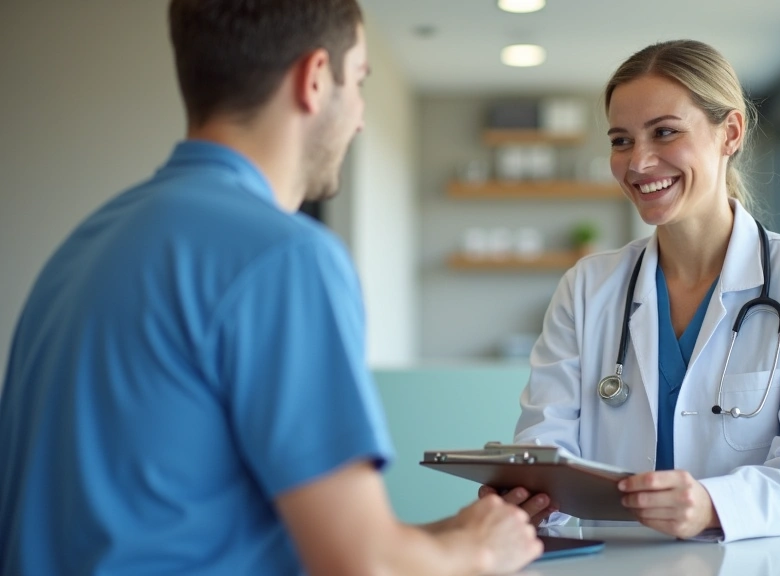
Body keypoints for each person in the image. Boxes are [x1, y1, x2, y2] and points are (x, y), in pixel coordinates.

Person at [0, 1, 542, 574]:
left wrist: (447, 536)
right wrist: (480, 550)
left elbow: (166, 527)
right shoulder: (285, 255)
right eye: (357, 80)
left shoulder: (89, 243)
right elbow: (364, 568)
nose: (359, 117)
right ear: (313, 80)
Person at [481, 40, 780, 542]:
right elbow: (546, 443)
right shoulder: (588, 287)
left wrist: (710, 505)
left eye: (664, 133)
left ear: (729, 132)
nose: (638, 162)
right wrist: (529, 499)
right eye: (621, 140)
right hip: (616, 562)